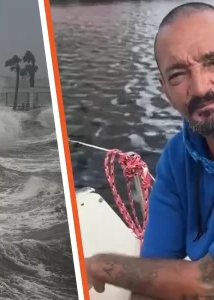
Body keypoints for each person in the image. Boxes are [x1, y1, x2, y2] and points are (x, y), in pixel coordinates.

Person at [85, 2, 214, 299]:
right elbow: (153, 279)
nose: (199, 88)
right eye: (178, 75)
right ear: (164, 90)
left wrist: (102, 267)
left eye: (212, 62)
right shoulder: (177, 158)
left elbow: (208, 283)